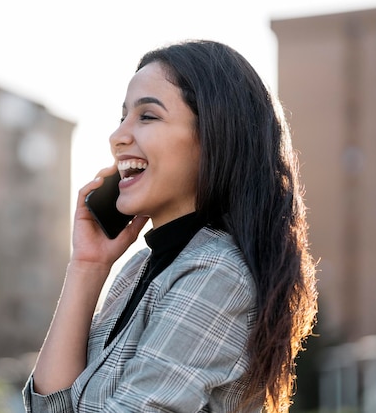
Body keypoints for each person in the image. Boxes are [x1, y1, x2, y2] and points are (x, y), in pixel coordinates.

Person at [22, 39, 318, 412]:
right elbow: (51, 408)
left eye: (147, 116)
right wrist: (87, 266)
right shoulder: (137, 270)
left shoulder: (217, 273)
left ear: (214, 137)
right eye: (122, 117)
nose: (118, 137)